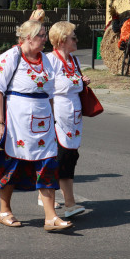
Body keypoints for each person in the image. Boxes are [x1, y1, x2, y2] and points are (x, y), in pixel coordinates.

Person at [0, 20, 73, 232]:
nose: (45, 39)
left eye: (44, 35)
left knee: (47, 164)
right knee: (12, 165)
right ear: (28, 38)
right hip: (17, 122)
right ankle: (4, 211)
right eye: (41, 35)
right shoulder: (10, 57)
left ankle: (51, 217)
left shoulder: (47, 60)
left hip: (43, 122)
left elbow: (51, 94)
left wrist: (53, 120)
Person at [45, 20, 90, 218]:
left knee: (71, 155)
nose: (77, 40)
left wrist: (82, 81)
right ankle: (68, 203)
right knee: (60, 157)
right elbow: (47, 89)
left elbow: (74, 84)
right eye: (73, 37)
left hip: (74, 115)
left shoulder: (74, 61)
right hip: (57, 114)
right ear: (62, 40)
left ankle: (49, 196)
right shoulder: (50, 60)